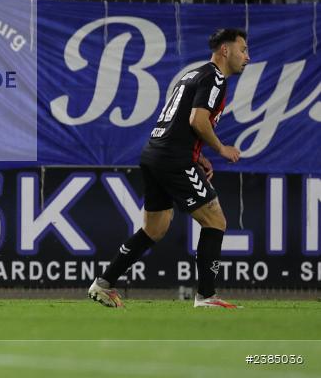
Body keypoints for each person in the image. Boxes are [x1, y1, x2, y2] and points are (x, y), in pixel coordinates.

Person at [88, 28, 249, 310]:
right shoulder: (215, 78)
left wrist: (197, 155)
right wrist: (221, 148)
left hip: (155, 154)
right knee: (215, 221)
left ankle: (103, 284)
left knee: (155, 228)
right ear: (226, 51)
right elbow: (197, 120)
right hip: (173, 159)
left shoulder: (193, 74)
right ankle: (206, 297)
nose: (246, 56)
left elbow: (177, 121)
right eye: (243, 50)